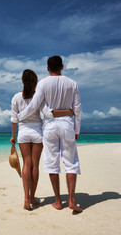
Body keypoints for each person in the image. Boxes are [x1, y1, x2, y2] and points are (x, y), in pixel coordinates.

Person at [17, 56, 82, 213]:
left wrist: (19, 117)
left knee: (52, 163)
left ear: (47, 68)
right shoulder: (72, 83)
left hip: (49, 127)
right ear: (62, 67)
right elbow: (77, 109)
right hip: (67, 124)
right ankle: (72, 200)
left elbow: (34, 105)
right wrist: (77, 130)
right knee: (70, 162)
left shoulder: (43, 84)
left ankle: (58, 201)